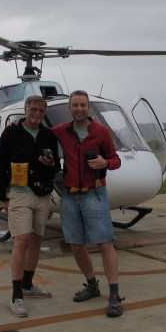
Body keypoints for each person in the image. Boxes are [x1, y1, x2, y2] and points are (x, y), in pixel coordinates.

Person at [51, 90, 124, 317]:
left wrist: (105, 162)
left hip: (94, 193)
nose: (79, 109)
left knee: (104, 242)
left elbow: (116, 160)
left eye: (83, 105)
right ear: (70, 108)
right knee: (76, 244)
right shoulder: (62, 131)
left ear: (88, 108)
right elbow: (37, 133)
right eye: (75, 105)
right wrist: (18, 124)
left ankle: (114, 294)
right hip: (70, 196)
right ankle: (92, 285)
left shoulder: (101, 132)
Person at [0, 95, 61, 318]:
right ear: (25, 110)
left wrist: (50, 163)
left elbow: (57, 166)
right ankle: (16, 296)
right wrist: (3, 197)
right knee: (21, 239)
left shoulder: (48, 135)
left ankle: (28, 284)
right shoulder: (11, 132)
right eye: (33, 109)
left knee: (36, 239)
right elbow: (1, 164)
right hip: (19, 194)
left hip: (42, 194)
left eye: (41, 111)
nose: (37, 114)